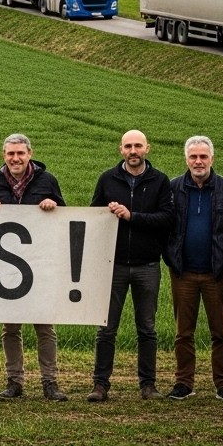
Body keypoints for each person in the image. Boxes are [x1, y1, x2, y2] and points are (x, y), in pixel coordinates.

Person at [86, 130, 173, 402]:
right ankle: (100, 385)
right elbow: (94, 218)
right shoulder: (107, 179)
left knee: (146, 328)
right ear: (120, 149)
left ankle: (148, 385)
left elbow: (166, 219)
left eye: (138, 146)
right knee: (106, 328)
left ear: (147, 148)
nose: (133, 151)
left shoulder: (160, 181)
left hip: (147, 265)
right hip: (113, 265)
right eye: (128, 146)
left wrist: (131, 216)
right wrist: (108, 213)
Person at [0, 133, 68, 402]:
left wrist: (54, 206)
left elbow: (66, 217)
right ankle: (14, 381)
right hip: (6, 268)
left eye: (20, 153)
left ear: (30, 154)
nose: (15, 158)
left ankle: (50, 382)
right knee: (11, 327)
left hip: (40, 264)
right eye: (10, 153)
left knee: (44, 326)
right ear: (4, 155)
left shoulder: (47, 181)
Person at [163, 136, 223, 402]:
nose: (198, 161)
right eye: (193, 157)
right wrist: (170, 257)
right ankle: (183, 383)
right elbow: (164, 226)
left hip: (216, 273)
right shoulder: (173, 188)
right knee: (183, 333)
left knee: (221, 333)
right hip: (183, 272)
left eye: (203, 156)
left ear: (212, 159)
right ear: (186, 159)